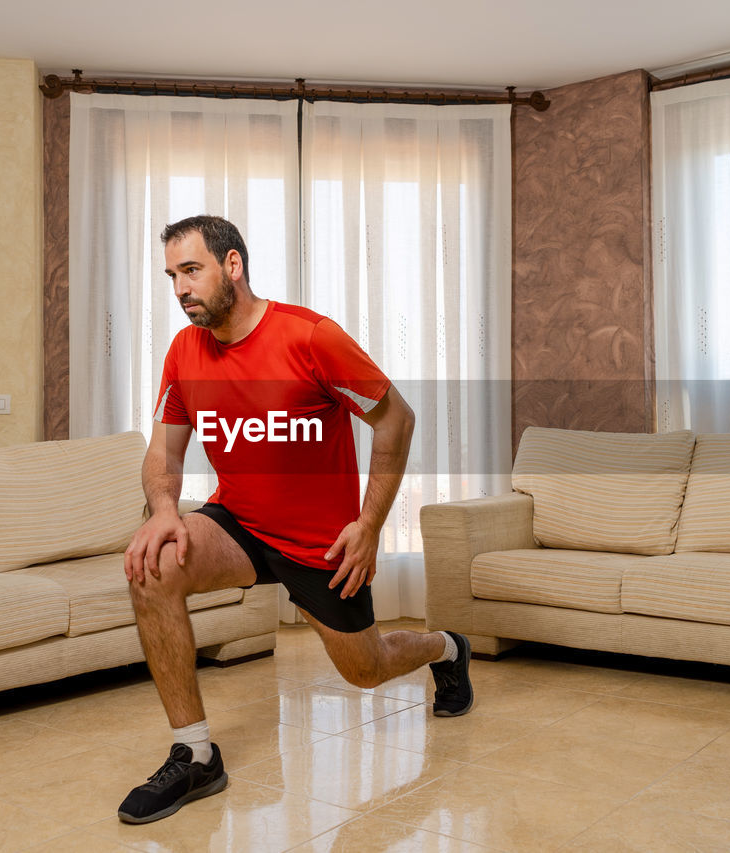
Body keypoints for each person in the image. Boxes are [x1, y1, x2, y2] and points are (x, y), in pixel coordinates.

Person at [117, 215, 472, 824]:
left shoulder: (311, 338)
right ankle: (196, 753)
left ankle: (447, 649)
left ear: (233, 265)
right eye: (172, 276)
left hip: (319, 544)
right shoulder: (184, 352)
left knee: (368, 669)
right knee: (151, 566)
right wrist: (165, 513)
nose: (180, 288)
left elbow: (397, 420)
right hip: (239, 523)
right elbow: (164, 450)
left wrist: (369, 525)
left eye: (192, 270)